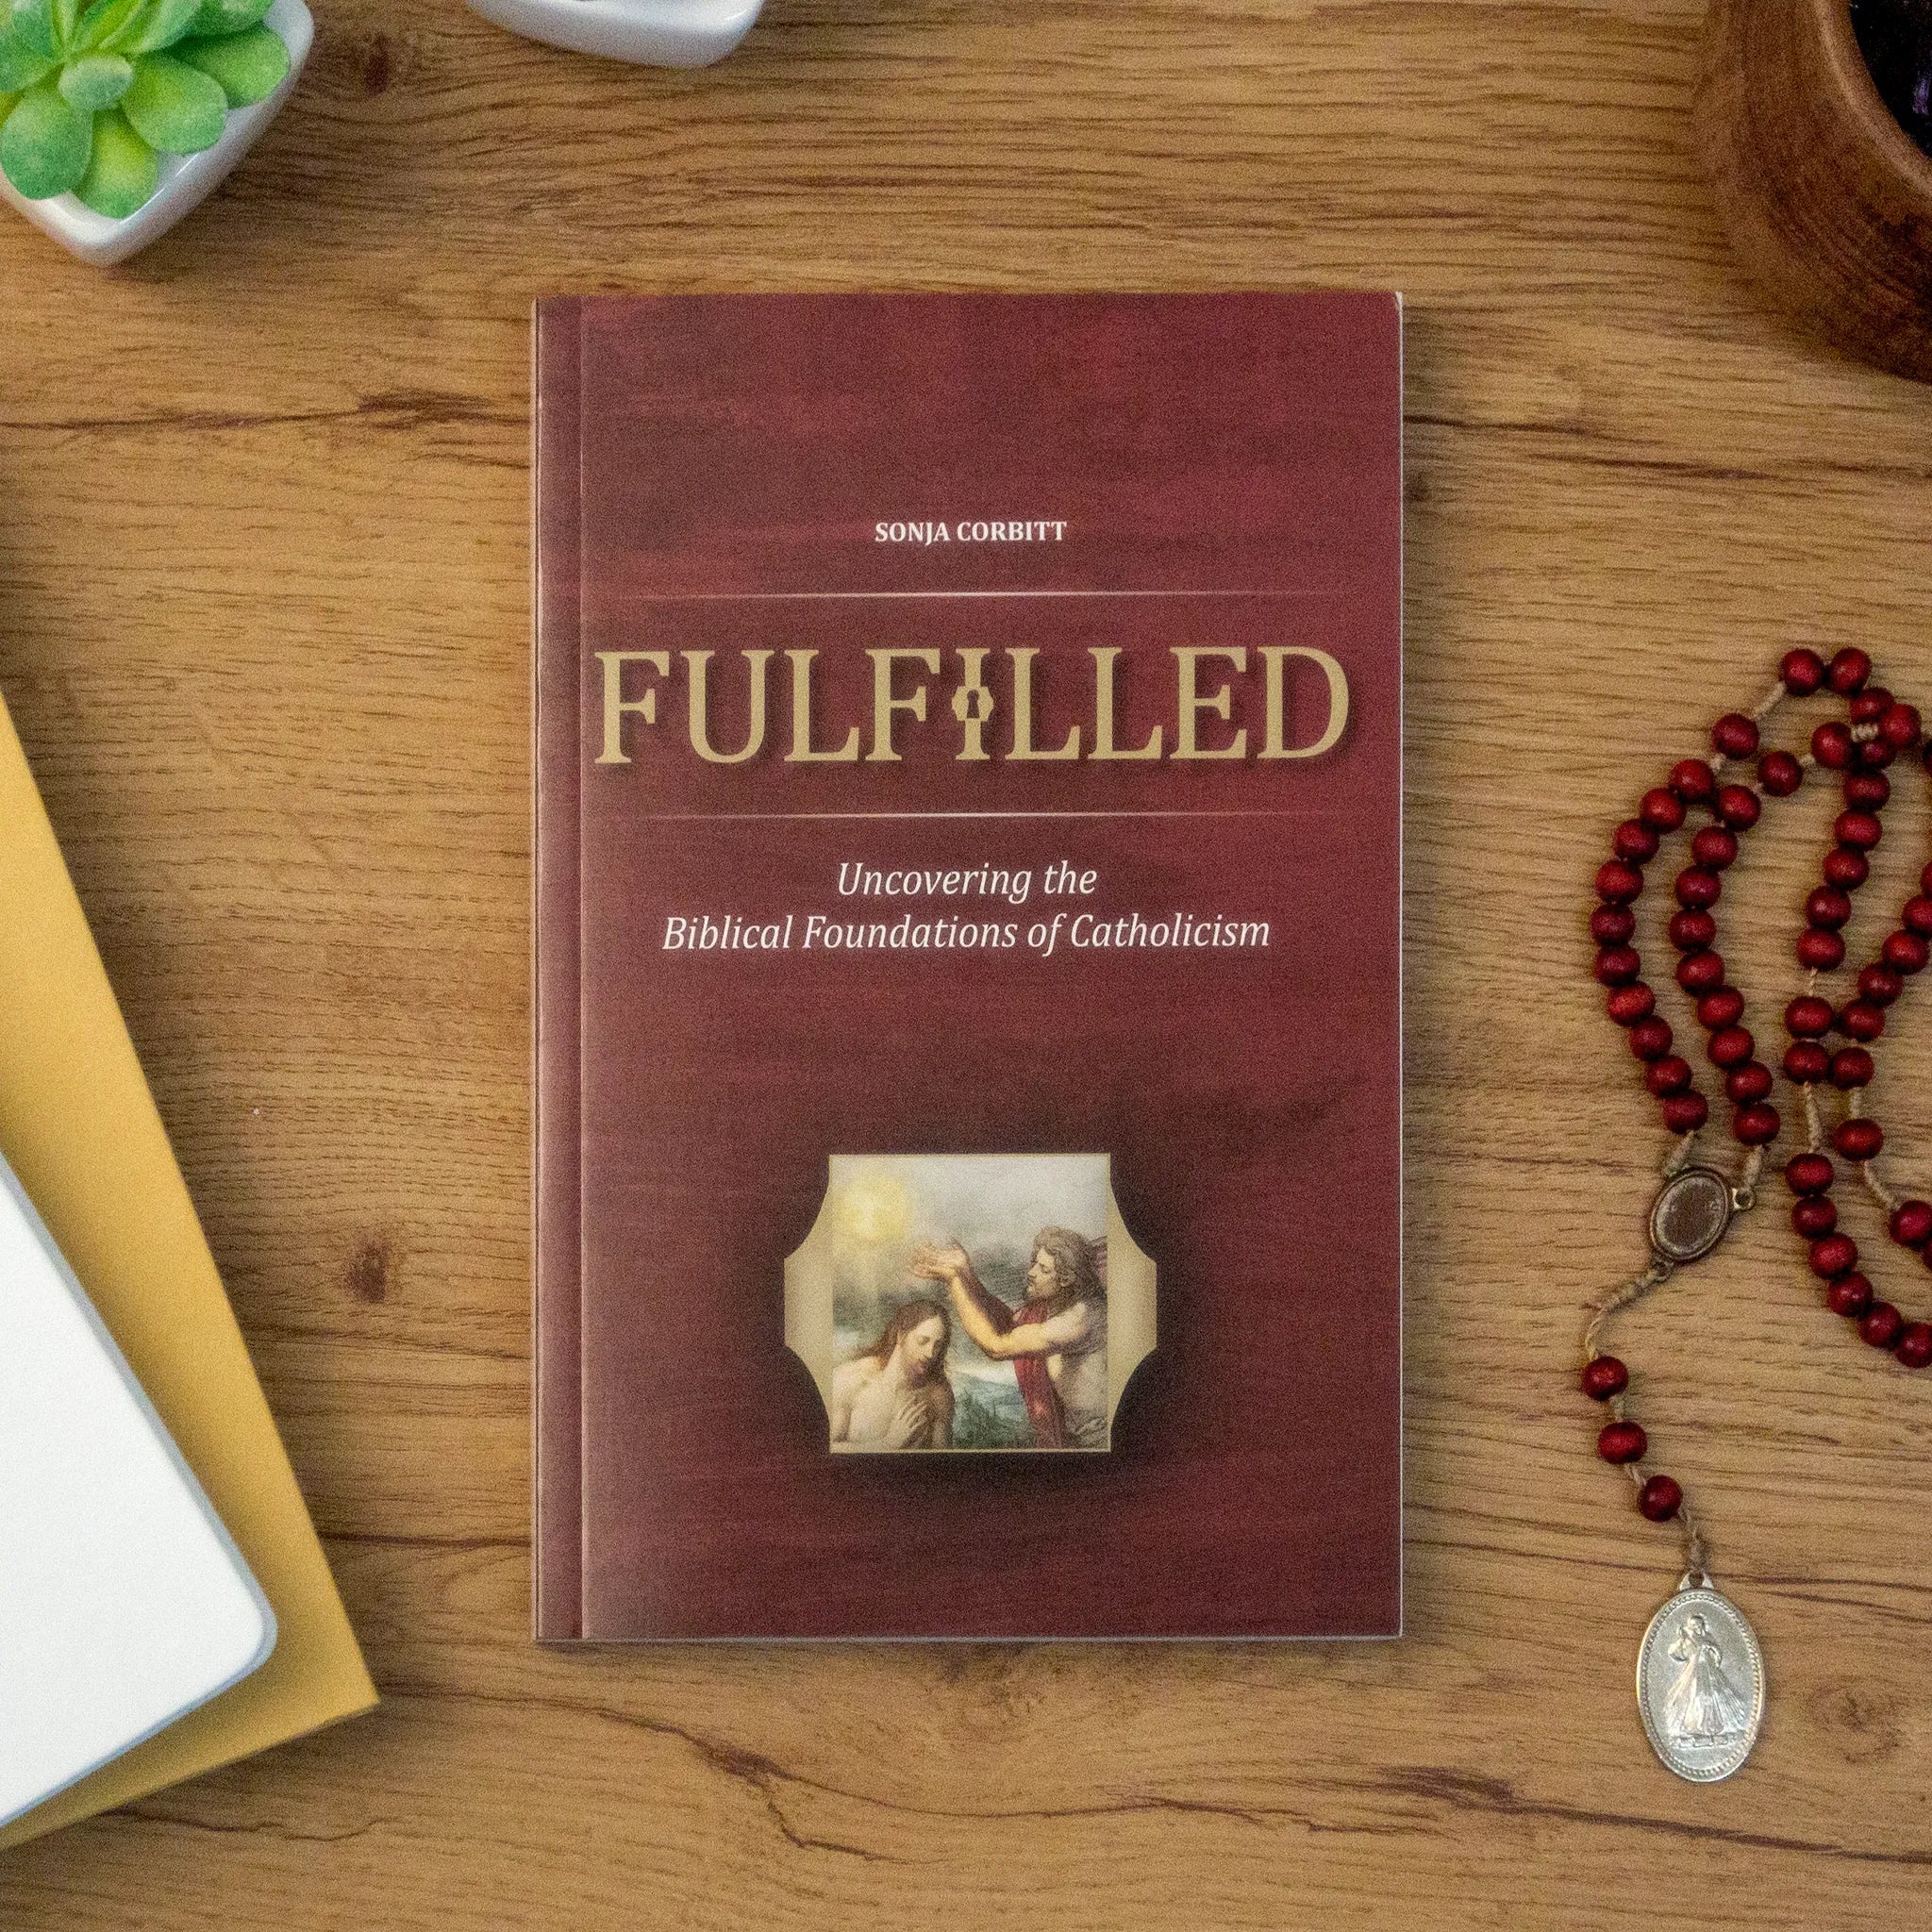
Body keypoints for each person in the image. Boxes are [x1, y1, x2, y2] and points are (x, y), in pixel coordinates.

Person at [910, 1228, 1108, 1449]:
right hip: (1077, 1440)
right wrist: (966, 1274)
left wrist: (955, 1281)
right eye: (1034, 1263)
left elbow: (997, 1345)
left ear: (1066, 1279)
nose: (1032, 1272)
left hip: (1098, 1442)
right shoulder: (1055, 1309)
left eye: (1043, 1269)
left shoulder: (1080, 1316)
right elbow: (1011, 1326)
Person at [830, 1298, 955, 1450]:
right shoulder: (851, 1378)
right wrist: (888, 1444)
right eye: (922, 1340)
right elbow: (828, 1449)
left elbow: (942, 1461)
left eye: (938, 1345)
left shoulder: (937, 1395)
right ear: (900, 1335)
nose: (930, 1353)